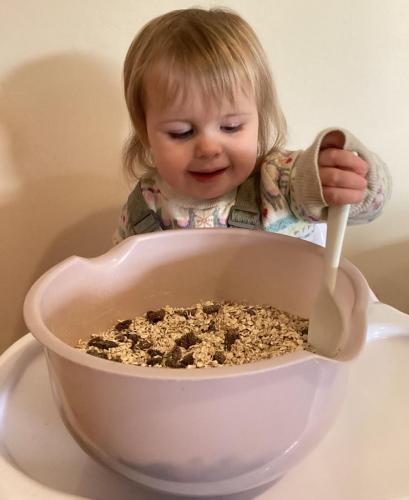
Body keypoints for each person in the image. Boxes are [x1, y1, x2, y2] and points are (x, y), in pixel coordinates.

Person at [113, 7, 391, 245]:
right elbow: (124, 278)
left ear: (259, 118)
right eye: (181, 132)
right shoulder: (143, 208)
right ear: (144, 130)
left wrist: (336, 178)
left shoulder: (281, 184)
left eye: (231, 126)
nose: (209, 149)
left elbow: (368, 206)